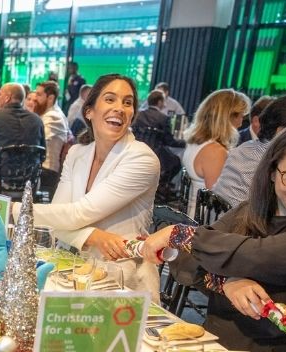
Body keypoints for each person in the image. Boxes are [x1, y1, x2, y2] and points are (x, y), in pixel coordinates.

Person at [141, 125, 286, 352]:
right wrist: (226, 283)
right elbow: (186, 259)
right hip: (213, 350)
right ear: (273, 172)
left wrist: (183, 235)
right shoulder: (247, 212)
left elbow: (257, 255)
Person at [22, 74, 161, 299]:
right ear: (89, 111)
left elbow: (76, 214)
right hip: (73, 273)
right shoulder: (77, 153)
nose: (120, 108)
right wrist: (94, 236)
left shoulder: (142, 159)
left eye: (127, 103)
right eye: (110, 99)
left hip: (124, 283)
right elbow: (57, 217)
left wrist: (16, 210)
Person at [214, 95, 286, 207]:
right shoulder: (273, 160)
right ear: (281, 131)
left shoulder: (245, 147)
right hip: (245, 221)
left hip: (217, 219)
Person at [181, 89, 250, 216]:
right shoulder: (214, 150)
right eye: (241, 116)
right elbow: (218, 200)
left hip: (193, 214)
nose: (241, 123)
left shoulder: (197, 142)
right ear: (227, 117)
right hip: (204, 222)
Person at [0, 83, 45, 191]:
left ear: (7, 98)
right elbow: (43, 155)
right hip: (31, 186)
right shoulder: (37, 120)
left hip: (0, 184)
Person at [131, 89, 185, 198]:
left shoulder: (138, 115)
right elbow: (169, 141)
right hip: (155, 153)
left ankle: (157, 184)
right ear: (160, 102)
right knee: (177, 162)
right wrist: (184, 143)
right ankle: (161, 185)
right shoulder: (163, 118)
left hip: (135, 151)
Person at [32, 80, 70, 173]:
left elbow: (34, 141)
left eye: (39, 95)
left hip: (46, 171)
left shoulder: (54, 117)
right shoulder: (46, 113)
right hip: (39, 168)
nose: (34, 98)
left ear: (50, 98)